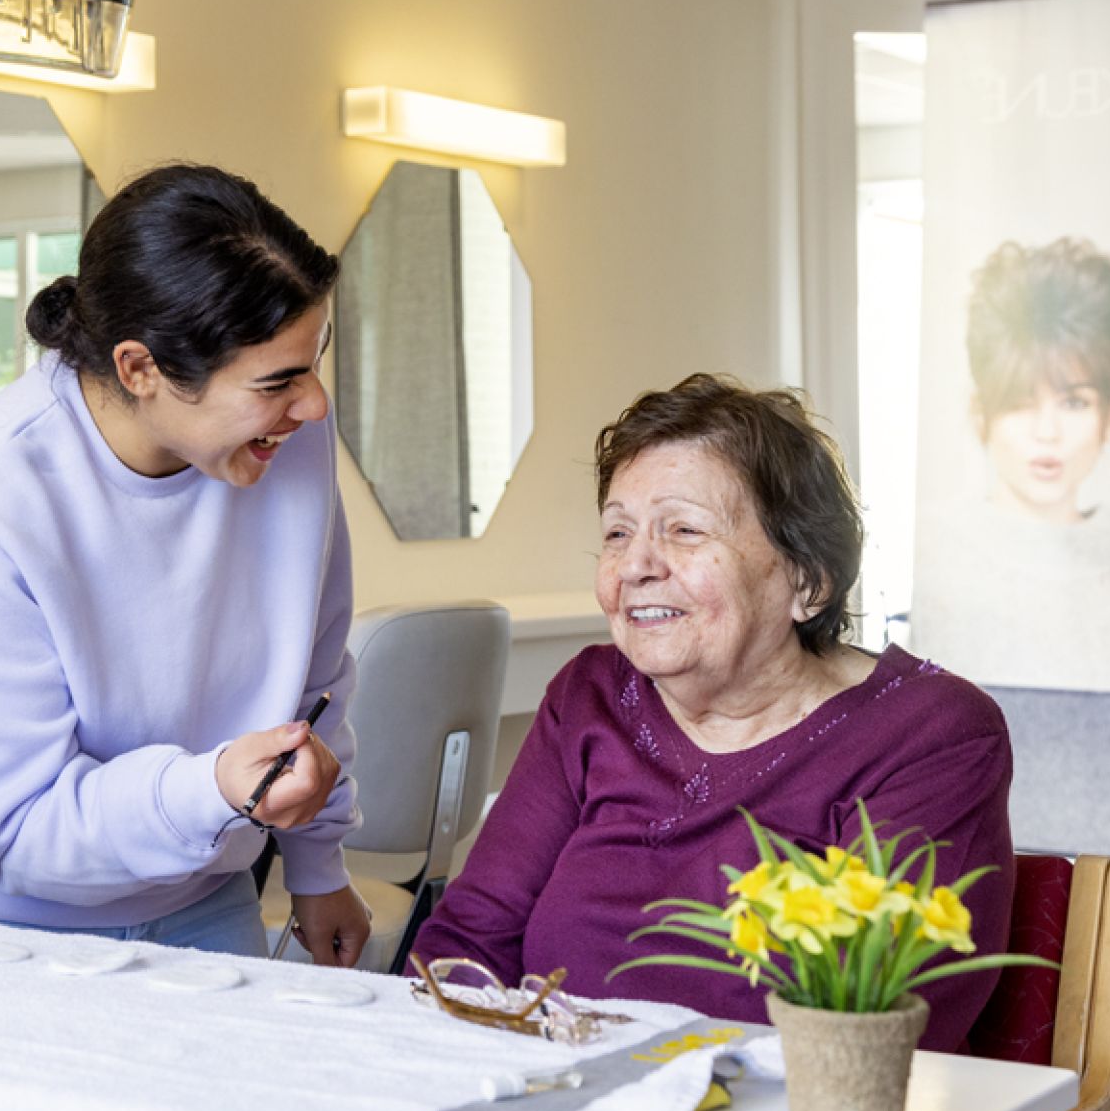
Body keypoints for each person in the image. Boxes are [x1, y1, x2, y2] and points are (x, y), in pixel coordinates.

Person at [0, 163, 372, 965]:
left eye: (313, 363)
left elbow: (315, 678)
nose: (313, 403)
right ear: (140, 368)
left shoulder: (284, 441)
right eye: (278, 380)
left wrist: (319, 866)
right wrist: (210, 788)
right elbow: (19, 829)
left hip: (198, 889)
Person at [409, 374, 1015, 1051]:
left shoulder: (929, 734)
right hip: (555, 1105)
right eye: (617, 532)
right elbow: (467, 941)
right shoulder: (589, 698)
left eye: (684, 530)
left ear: (807, 581)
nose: (636, 564)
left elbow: (886, 1013)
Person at [912, 237, 1110, 696]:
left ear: (1109, 417)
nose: (1047, 431)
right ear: (981, 414)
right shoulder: (932, 557)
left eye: (1074, 401)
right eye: (1020, 402)